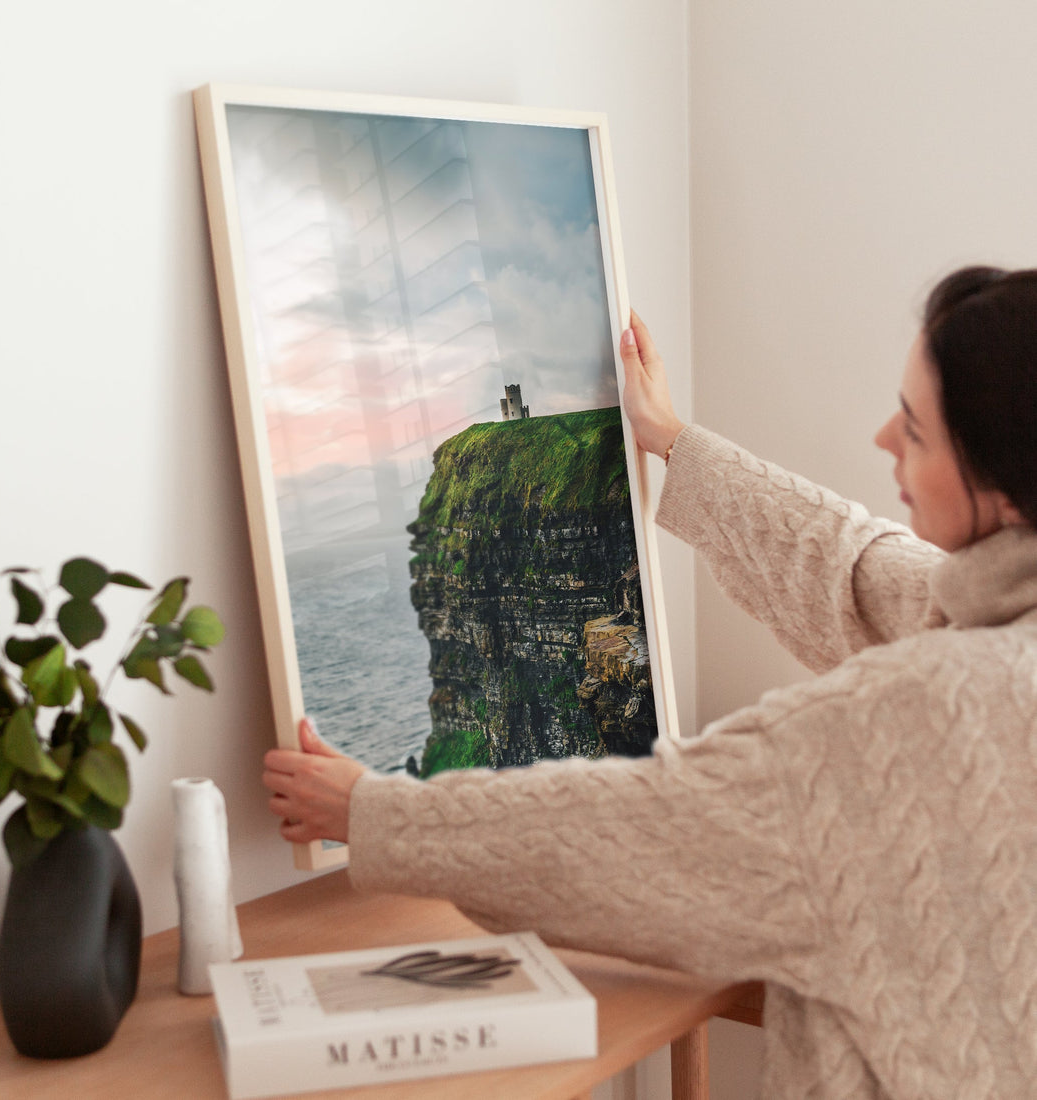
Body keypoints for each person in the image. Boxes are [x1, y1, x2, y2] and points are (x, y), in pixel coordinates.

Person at [262, 266, 1037, 1099]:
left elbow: (640, 828)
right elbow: (854, 571)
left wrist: (371, 813)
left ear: (1004, 488)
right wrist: (671, 440)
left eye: (916, 430)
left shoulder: (915, 717)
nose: (884, 438)